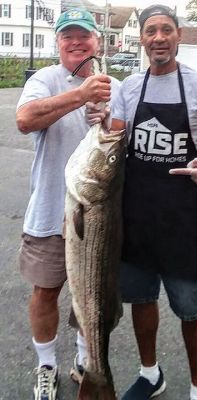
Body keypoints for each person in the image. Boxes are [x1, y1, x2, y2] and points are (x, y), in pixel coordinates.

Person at [87, 4, 197, 400]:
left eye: (166, 30)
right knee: (142, 301)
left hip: (187, 223)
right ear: (141, 38)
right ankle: (150, 373)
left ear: (178, 34)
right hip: (137, 220)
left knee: (192, 311)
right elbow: (117, 138)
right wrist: (101, 120)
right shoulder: (130, 86)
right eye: (150, 31)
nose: (158, 38)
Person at [16, 8, 120, 400]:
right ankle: (46, 365)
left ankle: (85, 361)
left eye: (84, 36)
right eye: (67, 37)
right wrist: (80, 95)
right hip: (49, 209)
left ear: (98, 40)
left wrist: (108, 116)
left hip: (99, 212)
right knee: (45, 291)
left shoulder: (116, 85)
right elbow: (24, 120)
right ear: (57, 44)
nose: (76, 43)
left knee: (92, 292)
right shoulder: (45, 79)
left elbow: (122, 143)